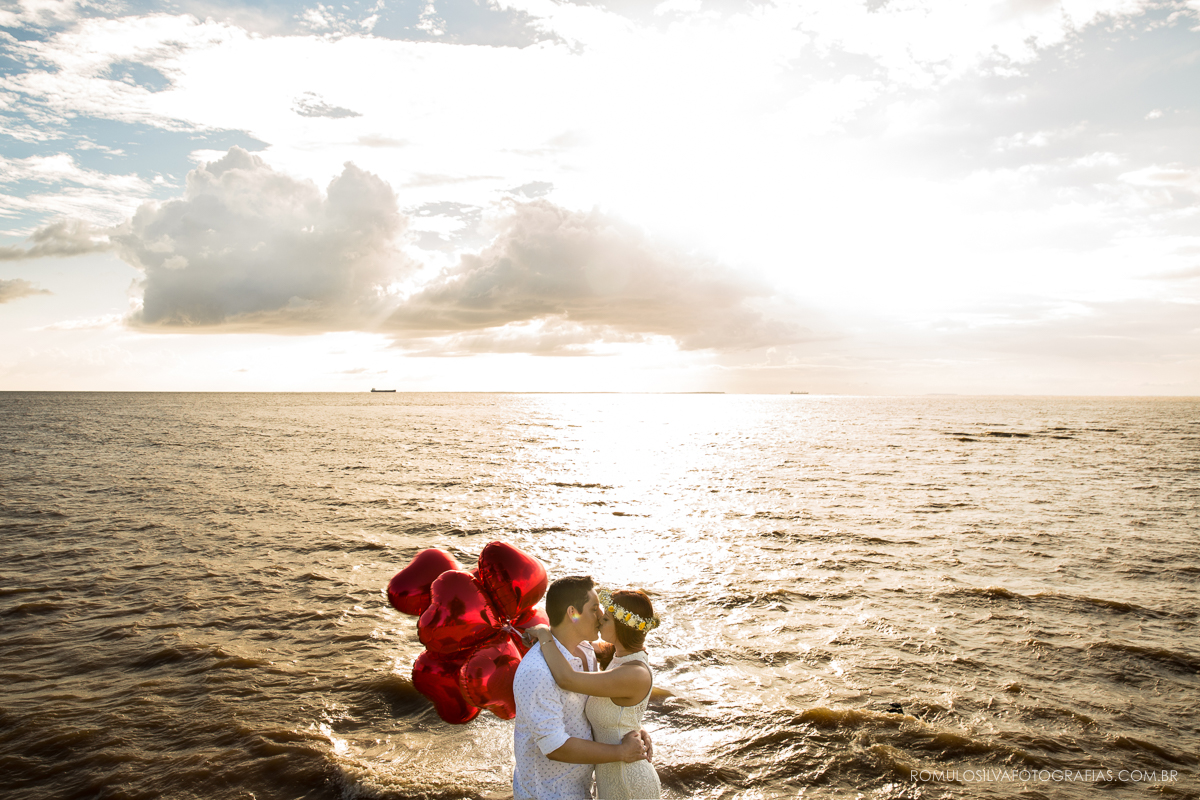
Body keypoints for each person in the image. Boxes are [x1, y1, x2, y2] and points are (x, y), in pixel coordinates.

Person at [512, 575, 650, 800]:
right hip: (548, 793)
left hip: (583, 789)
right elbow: (555, 746)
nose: (600, 615)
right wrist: (621, 751)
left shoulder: (585, 650)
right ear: (572, 614)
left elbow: (595, 706)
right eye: (594, 608)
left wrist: (628, 727)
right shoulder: (537, 671)